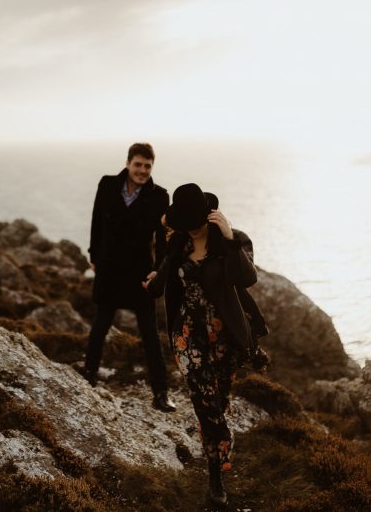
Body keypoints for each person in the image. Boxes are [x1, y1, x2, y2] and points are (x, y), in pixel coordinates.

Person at [143, 183, 268, 506]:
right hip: (188, 334)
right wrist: (152, 282)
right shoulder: (178, 243)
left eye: (198, 221)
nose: (193, 228)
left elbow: (247, 279)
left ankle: (216, 472)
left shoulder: (231, 242)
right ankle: (218, 461)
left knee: (218, 400)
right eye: (187, 222)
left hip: (224, 335)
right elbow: (163, 278)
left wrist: (228, 239)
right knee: (205, 404)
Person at [84, 142, 176, 412]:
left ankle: (161, 393)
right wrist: (93, 254)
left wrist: (157, 270)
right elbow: (96, 220)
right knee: (100, 324)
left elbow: (162, 239)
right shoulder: (108, 184)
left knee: (149, 333)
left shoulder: (160, 196)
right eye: (138, 164)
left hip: (140, 273)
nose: (143, 171)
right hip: (109, 267)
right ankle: (88, 374)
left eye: (148, 166)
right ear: (128, 163)